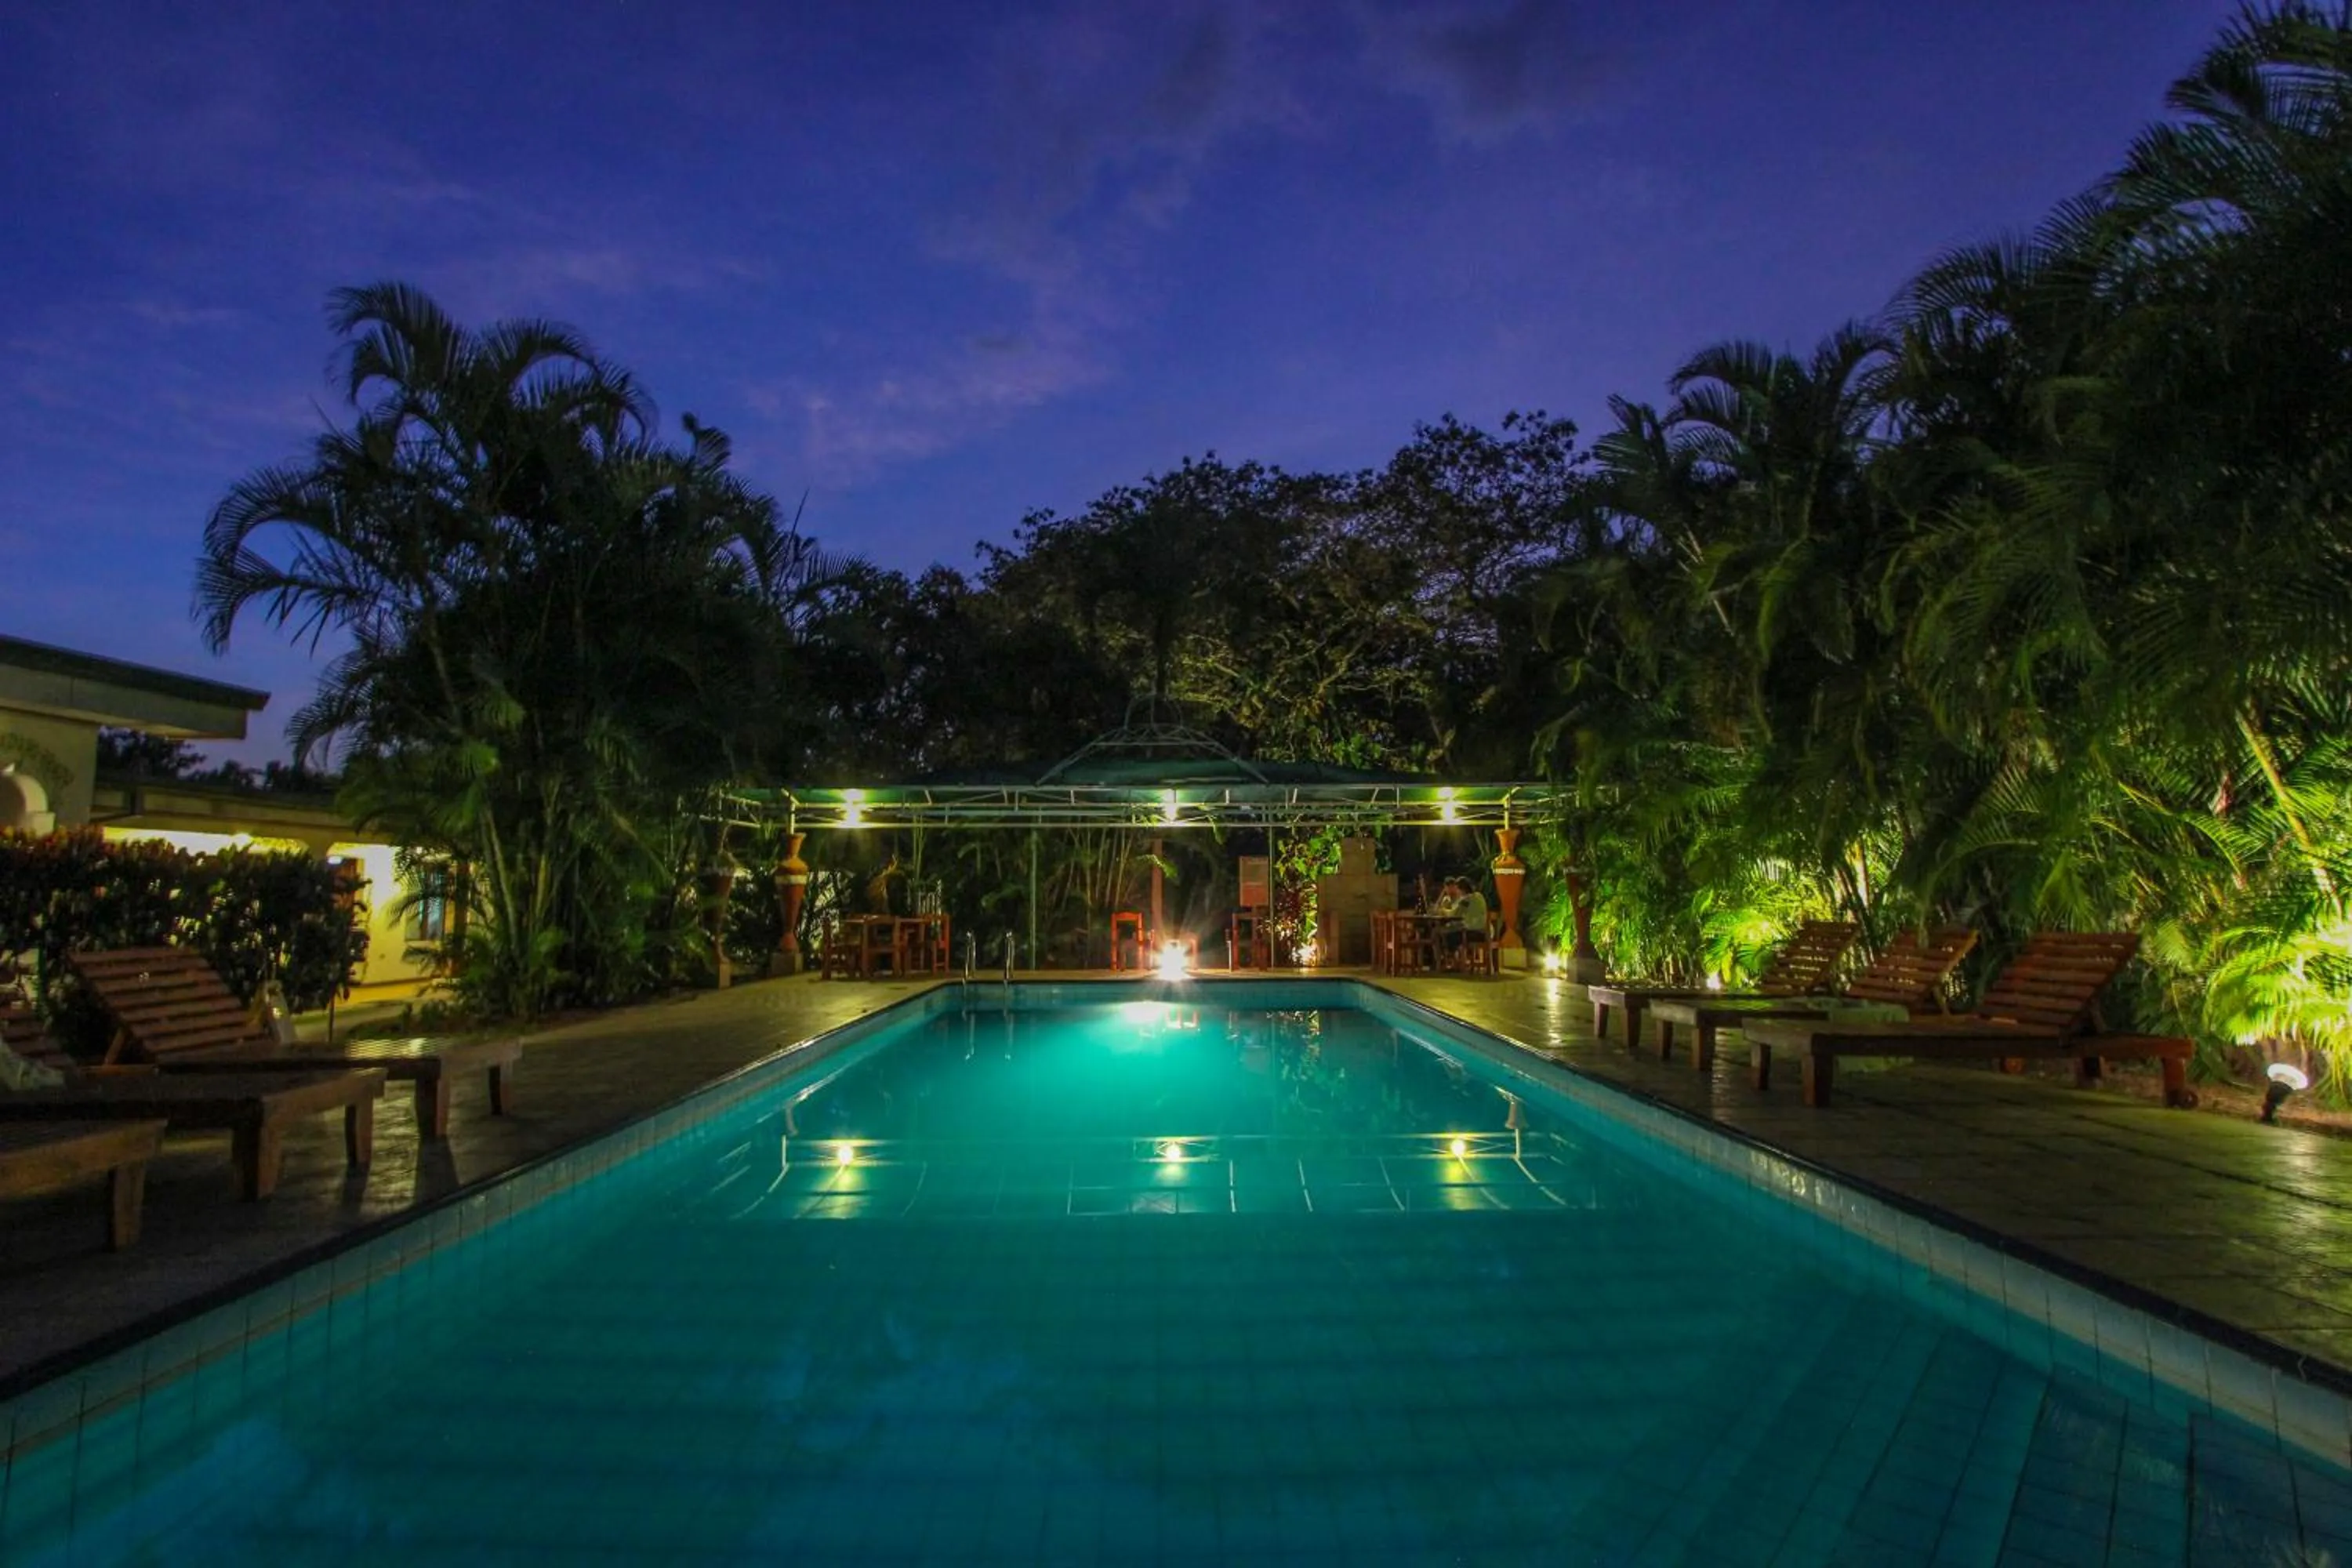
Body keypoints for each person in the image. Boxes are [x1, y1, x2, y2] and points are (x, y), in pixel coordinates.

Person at [1443, 876, 1489, 965]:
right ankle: (1456, 962)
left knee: (1446, 935)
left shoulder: (1466, 900)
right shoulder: (1479, 896)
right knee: (1451, 932)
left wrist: (1443, 910)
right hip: (1485, 932)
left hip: (1474, 933)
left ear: (1462, 889)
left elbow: (1454, 914)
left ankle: (1453, 963)